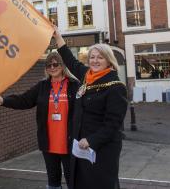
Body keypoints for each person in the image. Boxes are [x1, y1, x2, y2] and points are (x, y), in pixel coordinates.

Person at [53, 27, 128, 189]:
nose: (95, 61)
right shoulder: (88, 76)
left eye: (100, 57)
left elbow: (113, 125)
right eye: (92, 57)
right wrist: (58, 37)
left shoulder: (116, 87)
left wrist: (91, 140)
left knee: (99, 184)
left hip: (101, 150)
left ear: (109, 61)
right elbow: (71, 61)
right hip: (81, 147)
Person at [0, 52, 79, 189]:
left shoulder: (74, 86)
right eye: (49, 65)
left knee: (73, 180)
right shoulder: (42, 86)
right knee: (53, 181)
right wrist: (4, 100)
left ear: (62, 66)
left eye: (55, 64)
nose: (52, 67)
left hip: (69, 143)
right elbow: (24, 100)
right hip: (49, 143)